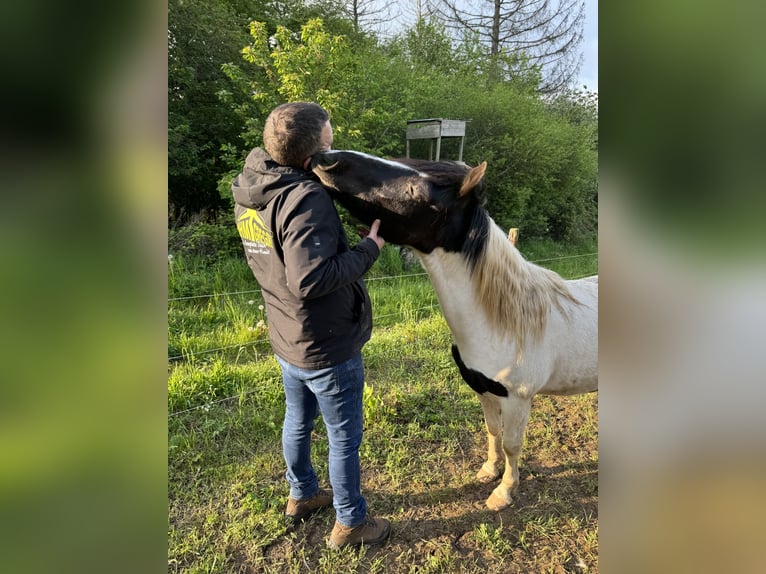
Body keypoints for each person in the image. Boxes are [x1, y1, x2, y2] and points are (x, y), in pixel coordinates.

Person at [230, 102, 391, 549]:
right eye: (328, 142)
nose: (332, 147)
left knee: (297, 422)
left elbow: (284, 264)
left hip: (286, 334)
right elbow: (310, 279)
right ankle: (351, 523)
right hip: (325, 342)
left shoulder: (252, 184)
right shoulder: (305, 197)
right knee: (344, 437)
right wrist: (369, 249)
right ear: (310, 156)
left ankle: (301, 496)